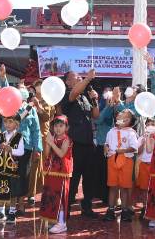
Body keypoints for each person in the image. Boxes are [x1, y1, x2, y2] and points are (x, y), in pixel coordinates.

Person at [61, 69, 100, 217]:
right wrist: (87, 79)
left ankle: (87, 206)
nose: (78, 78)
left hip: (88, 142)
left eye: (79, 77)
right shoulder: (67, 94)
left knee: (89, 177)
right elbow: (73, 94)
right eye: (75, 77)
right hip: (74, 143)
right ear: (68, 82)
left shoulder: (84, 97)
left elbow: (95, 115)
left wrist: (94, 100)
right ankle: (67, 207)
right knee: (73, 176)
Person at [39, 115, 73, 234]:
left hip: (62, 173)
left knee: (60, 197)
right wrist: (47, 142)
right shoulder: (52, 137)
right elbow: (47, 154)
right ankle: (55, 220)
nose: (58, 128)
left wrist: (51, 143)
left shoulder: (66, 139)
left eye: (61, 126)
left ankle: (62, 223)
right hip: (51, 171)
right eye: (55, 126)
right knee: (51, 197)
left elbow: (61, 154)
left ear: (66, 127)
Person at [104, 108, 138, 222]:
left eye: (124, 114)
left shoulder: (131, 132)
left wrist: (123, 151)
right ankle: (110, 210)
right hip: (112, 160)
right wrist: (106, 147)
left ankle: (124, 210)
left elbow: (134, 148)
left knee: (124, 187)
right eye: (120, 113)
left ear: (128, 120)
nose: (120, 114)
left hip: (126, 161)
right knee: (112, 186)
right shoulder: (111, 131)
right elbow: (107, 143)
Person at [0, 113, 25, 224]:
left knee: (12, 192)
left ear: (17, 124)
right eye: (5, 122)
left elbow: (21, 152)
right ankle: (1, 212)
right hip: (1, 170)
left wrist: (11, 150)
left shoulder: (19, 137)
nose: (7, 124)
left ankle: (12, 212)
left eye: (10, 122)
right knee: (1, 190)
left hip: (13, 171)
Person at [13, 86, 42, 215]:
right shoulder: (11, 106)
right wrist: (3, 79)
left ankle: (20, 204)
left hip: (26, 147)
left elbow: (36, 130)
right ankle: (11, 205)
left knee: (23, 175)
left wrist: (37, 148)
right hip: (11, 146)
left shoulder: (32, 110)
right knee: (11, 174)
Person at [27, 79, 55, 204]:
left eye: (41, 86)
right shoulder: (29, 101)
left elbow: (47, 118)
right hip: (30, 136)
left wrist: (38, 106)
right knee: (33, 165)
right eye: (37, 86)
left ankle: (43, 190)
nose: (39, 88)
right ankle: (30, 193)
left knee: (44, 164)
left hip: (43, 137)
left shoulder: (48, 101)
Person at [95, 86, 124, 204]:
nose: (108, 95)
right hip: (102, 145)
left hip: (116, 147)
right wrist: (108, 106)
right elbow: (98, 120)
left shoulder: (118, 107)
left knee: (113, 174)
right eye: (106, 92)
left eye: (111, 93)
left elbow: (126, 115)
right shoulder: (101, 107)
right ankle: (102, 196)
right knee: (102, 173)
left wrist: (118, 101)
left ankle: (114, 198)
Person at [136, 118, 155, 213]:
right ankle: (145, 207)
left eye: (153, 124)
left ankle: (154, 207)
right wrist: (143, 142)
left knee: (154, 188)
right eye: (148, 124)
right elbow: (137, 152)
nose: (151, 126)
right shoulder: (141, 138)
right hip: (144, 165)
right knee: (144, 188)